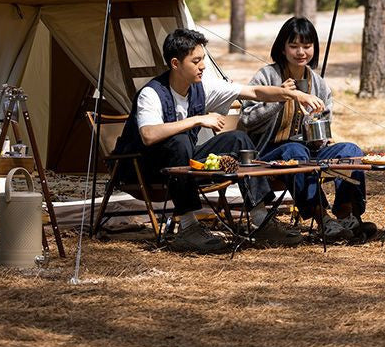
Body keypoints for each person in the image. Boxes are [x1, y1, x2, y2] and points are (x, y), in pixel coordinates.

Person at [115, 28, 324, 253]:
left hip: (183, 163)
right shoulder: (152, 93)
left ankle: (261, 219)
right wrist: (197, 120)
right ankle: (188, 228)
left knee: (238, 140)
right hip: (143, 168)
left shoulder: (201, 87)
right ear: (176, 64)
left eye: (203, 59)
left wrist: (294, 95)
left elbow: (254, 92)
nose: (203, 66)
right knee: (180, 141)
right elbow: (148, 135)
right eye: (196, 61)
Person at [240, 16, 376, 243]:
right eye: (293, 46)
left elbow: (323, 133)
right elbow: (246, 120)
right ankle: (323, 219)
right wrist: (280, 98)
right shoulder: (267, 76)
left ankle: (346, 214)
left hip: (307, 152)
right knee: (294, 150)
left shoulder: (319, 83)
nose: (301, 52)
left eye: (307, 46)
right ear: (282, 49)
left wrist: (317, 131)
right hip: (268, 155)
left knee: (350, 150)